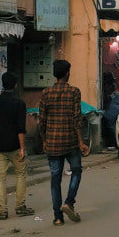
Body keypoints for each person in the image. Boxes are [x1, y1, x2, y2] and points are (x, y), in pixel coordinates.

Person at [37, 59, 89, 226]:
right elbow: (77, 119)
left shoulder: (45, 93)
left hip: (52, 143)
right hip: (70, 142)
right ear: (67, 73)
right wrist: (81, 142)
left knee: (55, 179)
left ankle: (58, 217)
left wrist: (44, 141)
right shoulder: (74, 92)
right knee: (76, 171)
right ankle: (69, 202)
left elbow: (41, 121)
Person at [0, 72, 32, 220]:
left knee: (0, 178)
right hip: (15, 145)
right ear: (16, 85)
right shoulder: (19, 103)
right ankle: (19, 206)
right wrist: (22, 147)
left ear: (2, 84)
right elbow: (20, 128)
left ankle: (2, 211)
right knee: (20, 175)